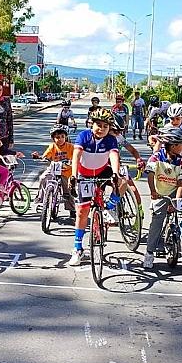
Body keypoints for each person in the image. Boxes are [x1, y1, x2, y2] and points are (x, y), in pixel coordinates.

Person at [68, 108, 122, 266]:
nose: (102, 129)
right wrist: (73, 175)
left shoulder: (110, 139)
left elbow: (113, 155)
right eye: (98, 125)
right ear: (91, 124)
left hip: (102, 171)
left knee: (123, 181)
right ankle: (77, 248)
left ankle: (109, 208)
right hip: (84, 174)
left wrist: (116, 173)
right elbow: (76, 156)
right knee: (82, 211)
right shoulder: (84, 136)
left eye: (105, 126)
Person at [143, 126, 182, 269]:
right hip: (160, 193)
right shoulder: (156, 157)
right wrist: (153, 191)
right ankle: (149, 252)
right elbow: (151, 175)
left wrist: (176, 201)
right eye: (181, 144)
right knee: (157, 221)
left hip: (174, 192)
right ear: (172, 146)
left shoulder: (181, 161)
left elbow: (181, 183)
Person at [31, 124, 75, 219]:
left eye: (62, 137)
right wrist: (39, 157)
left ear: (66, 137)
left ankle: (72, 209)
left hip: (66, 171)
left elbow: (77, 155)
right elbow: (45, 156)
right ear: (53, 138)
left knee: (68, 191)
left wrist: (74, 161)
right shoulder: (52, 147)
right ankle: (41, 198)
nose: (60, 139)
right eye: (57, 137)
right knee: (42, 178)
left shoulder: (70, 147)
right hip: (53, 169)